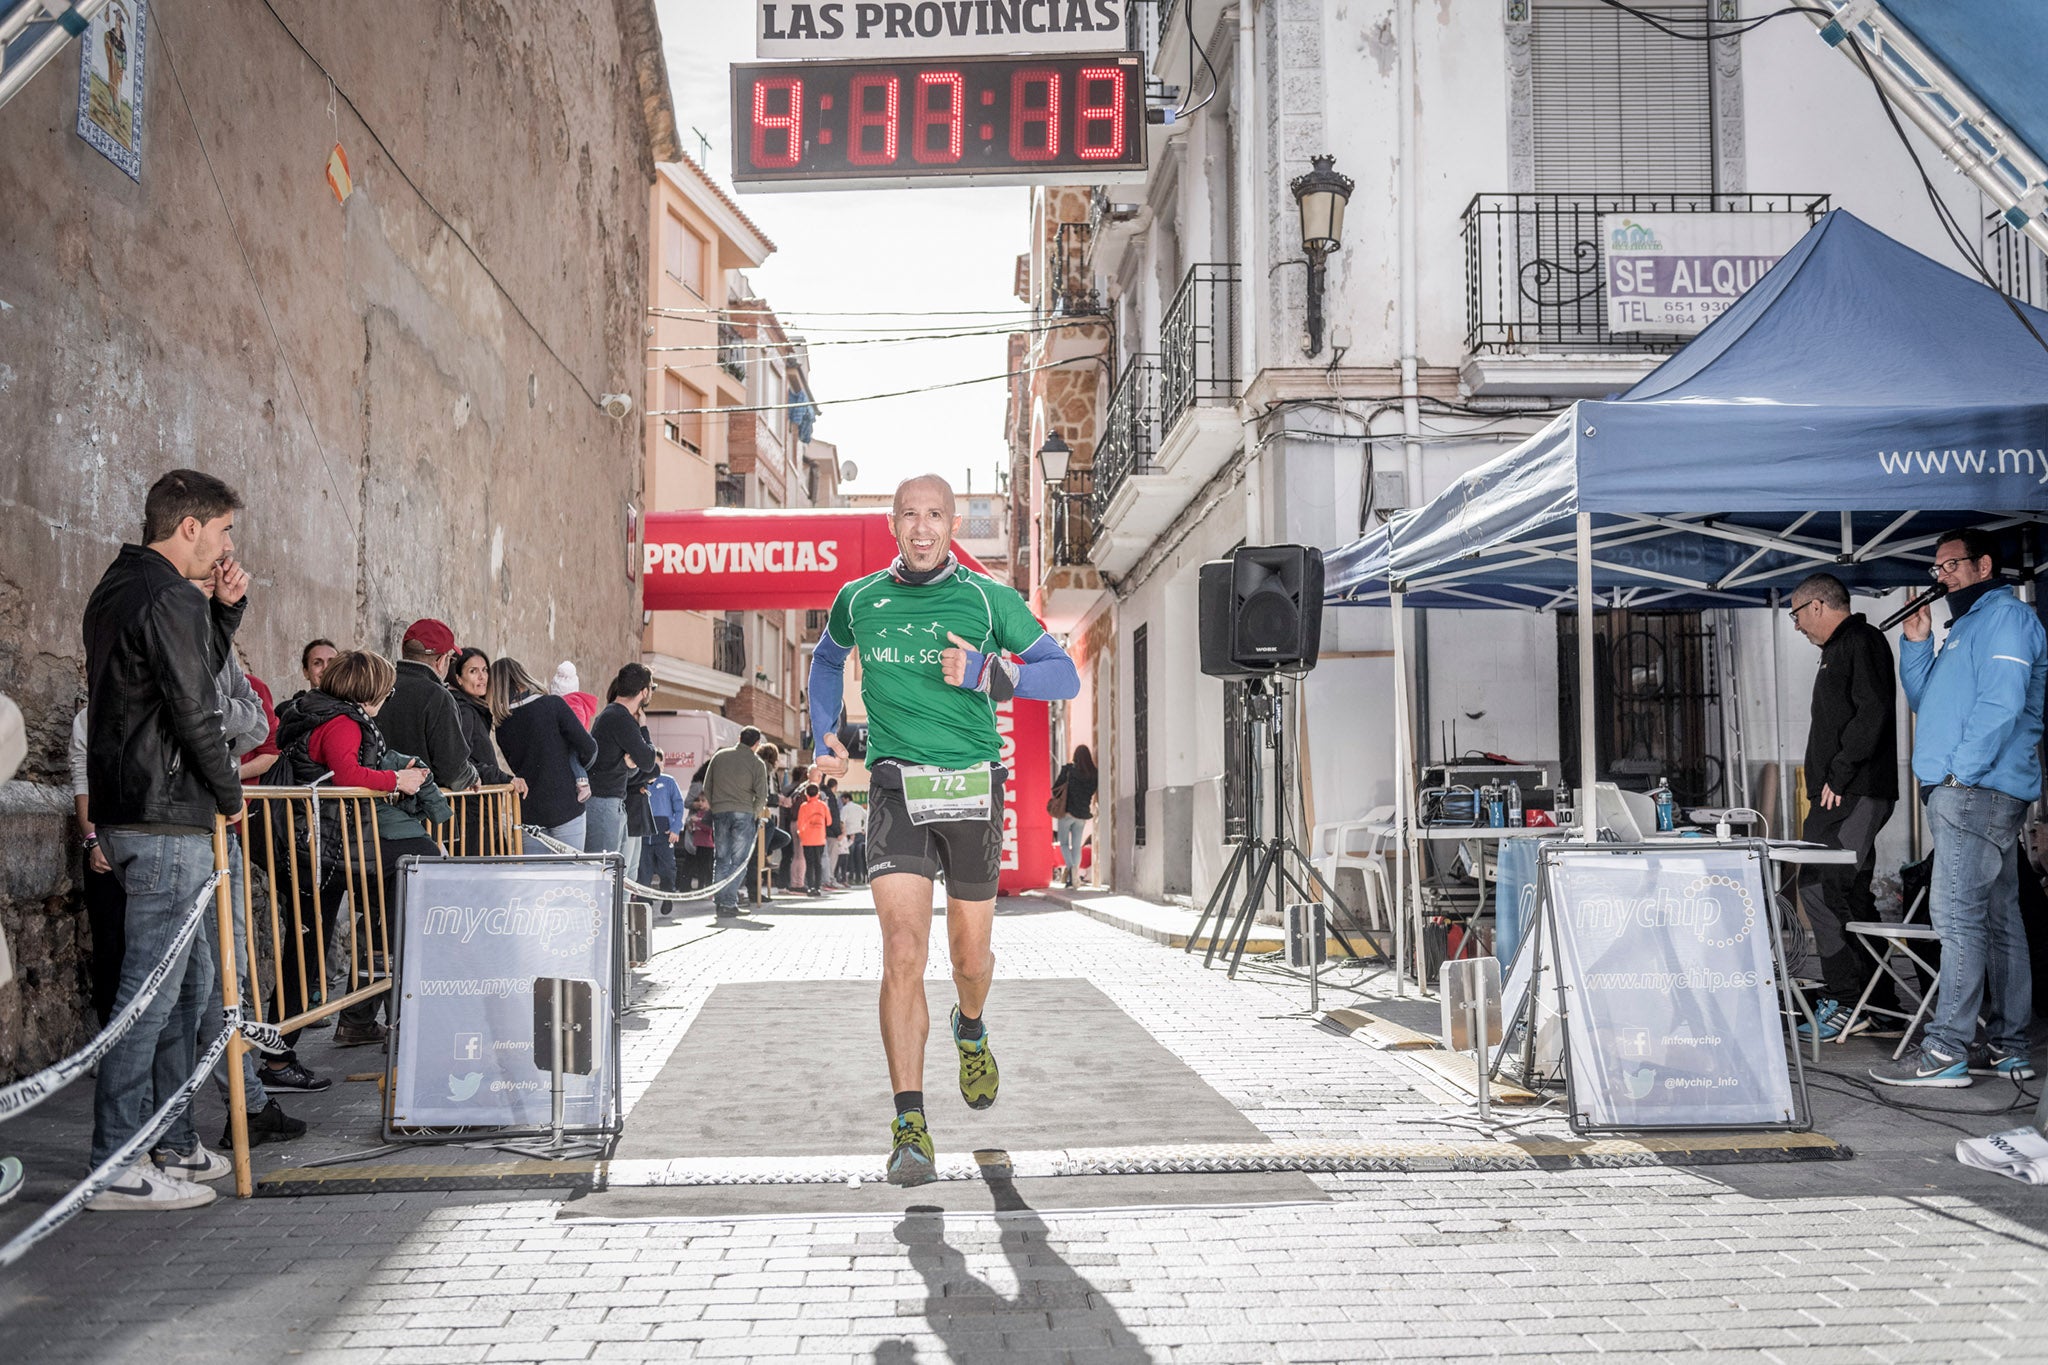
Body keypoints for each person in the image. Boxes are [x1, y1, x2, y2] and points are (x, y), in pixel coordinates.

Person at [809, 473, 1079, 1185]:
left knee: (970, 958)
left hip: (972, 789)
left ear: (952, 522)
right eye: (909, 515)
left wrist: (990, 674)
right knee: (902, 948)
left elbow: (1063, 674)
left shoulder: (989, 599)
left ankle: (970, 1026)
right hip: (898, 784)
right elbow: (827, 658)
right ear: (893, 524)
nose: (922, 527)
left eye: (935, 515)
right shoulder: (860, 599)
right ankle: (908, 1124)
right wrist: (823, 734)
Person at [83, 469, 248, 1211]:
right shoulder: (169, 594)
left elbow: (184, 676)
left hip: (136, 810)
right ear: (189, 526)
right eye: (222, 531)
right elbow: (195, 707)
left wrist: (226, 614)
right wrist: (232, 792)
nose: (226, 547)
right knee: (149, 995)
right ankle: (117, 1162)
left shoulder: (122, 587)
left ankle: (172, 1139)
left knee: (187, 988)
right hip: (165, 813)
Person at [1874, 528, 2048, 1088]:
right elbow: (1931, 701)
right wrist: (1918, 644)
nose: (1941, 577)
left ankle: (1946, 1049)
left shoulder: (2009, 619)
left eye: (1951, 566)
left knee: (1958, 919)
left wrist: (1960, 774)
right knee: (1999, 919)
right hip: (1969, 789)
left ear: (1984, 565)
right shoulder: (1967, 626)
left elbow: (2004, 701)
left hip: (1976, 790)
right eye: (1937, 569)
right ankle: (2008, 1045)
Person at [277, 650, 449, 1048]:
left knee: (309, 952)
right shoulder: (343, 721)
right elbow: (347, 776)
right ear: (373, 690)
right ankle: (279, 1056)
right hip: (326, 845)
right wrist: (397, 780)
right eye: (387, 692)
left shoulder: (318, 712)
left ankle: (283, 1054)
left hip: (321, 843)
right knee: (305, 956)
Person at [1782, 573, 1901, 1042]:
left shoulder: (1862, 641)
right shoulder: (1836, 650)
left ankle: (1853, 1000)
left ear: (1816, 605)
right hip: (1841, 791)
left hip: (1853, 790)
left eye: (1795, 614)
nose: (1795, 626)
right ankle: (1878, 1005)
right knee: (1840, 891)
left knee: (1828, 888)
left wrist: (1839, 774)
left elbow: (1872, 711)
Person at [492, 657, 597, 848]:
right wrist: (577, 770)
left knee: (535, 876)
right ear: (523, 676)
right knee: (570, 875)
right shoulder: (553, 704)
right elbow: (588, 747)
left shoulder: (501, 725)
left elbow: (516, 765)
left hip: (528, 810)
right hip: (566, 803)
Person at [70, 703, 127, 1026]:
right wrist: (92, 841)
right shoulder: (89, 718)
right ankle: (110, 1043)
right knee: (109, 948)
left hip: (155, 844)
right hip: (107, 843)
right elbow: (83, 782)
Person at [377, 619, 478, 794]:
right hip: (423, 811)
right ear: (441, 661)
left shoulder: (378, 685)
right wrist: (472, 776)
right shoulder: (437, 696)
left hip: (375, 808)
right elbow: (453, 771)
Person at [586, 664, 660, 864]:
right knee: (603, 870)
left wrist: (628, 767)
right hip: (604, 803)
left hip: (611, 802)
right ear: (644, 692)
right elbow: (648, 761)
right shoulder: (620, 718)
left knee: (614, 871)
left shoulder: (613, 715)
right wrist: (644, 729)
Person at [702, 727, 768, 919]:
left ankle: (720, 902)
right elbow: (762, 794)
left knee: (721, 859)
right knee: (738, 862)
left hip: (720, 812)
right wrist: (754, 813)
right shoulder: (757, 763)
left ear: (739, 738)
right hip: (743, 812)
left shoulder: (719, 756)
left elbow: (707, 786)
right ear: (756, 744)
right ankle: (729, 903)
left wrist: (716, 806)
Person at [1050, 745, 1099, 889]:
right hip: (1082, 814)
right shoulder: (1094, 774)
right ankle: (1075, 876)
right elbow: (1092, 791)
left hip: (1066, 812)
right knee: (1077, 845)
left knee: (1064, 844)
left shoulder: (1068, 770)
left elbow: (1056, 788)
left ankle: (1072, 870)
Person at [643, 758, 685, 893]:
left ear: (662, 764)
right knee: (643, 870)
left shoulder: (668, 781)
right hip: (644, 833)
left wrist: (675, 829)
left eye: (657, 762)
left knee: (667, 868)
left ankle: (668, 895)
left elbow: (679, 807)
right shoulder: (639, 780)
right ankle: (644, 901)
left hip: (664, 833)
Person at [797, 782, 831, 896]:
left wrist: (801, 835)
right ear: (818, 794)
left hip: (807, 839)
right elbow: (829, 821)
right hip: (820, 838)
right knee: (818, 863)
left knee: (809, 863)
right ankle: (818, 887)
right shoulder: (823, 805)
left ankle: (810, 887)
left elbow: (800, 824)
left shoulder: (803, 806)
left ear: (806, 794)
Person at [683, 793, 716, 889]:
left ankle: (709, 886)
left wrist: (698, 821)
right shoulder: (698, 813)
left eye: (703, 801)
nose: (700, 803)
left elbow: (709, 828)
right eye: (699, 801)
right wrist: (691, 825)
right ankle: (700, 886)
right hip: (698, 844)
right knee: (700, 868)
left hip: (707, 845)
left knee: (707, 868)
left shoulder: (709, 814)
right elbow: (695, 829)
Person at [838, 794, 868, 885]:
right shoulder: (859, 807)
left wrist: (843, 832)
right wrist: (864, 828)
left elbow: (842, 820)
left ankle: (851, 877)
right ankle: (859, 878)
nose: (842, 801)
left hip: (849, 835)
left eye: (843, 799)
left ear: (847, 799)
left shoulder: (845, 808)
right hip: (859, 833)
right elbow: (867, 816)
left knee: (850, 858)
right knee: (859, 858)